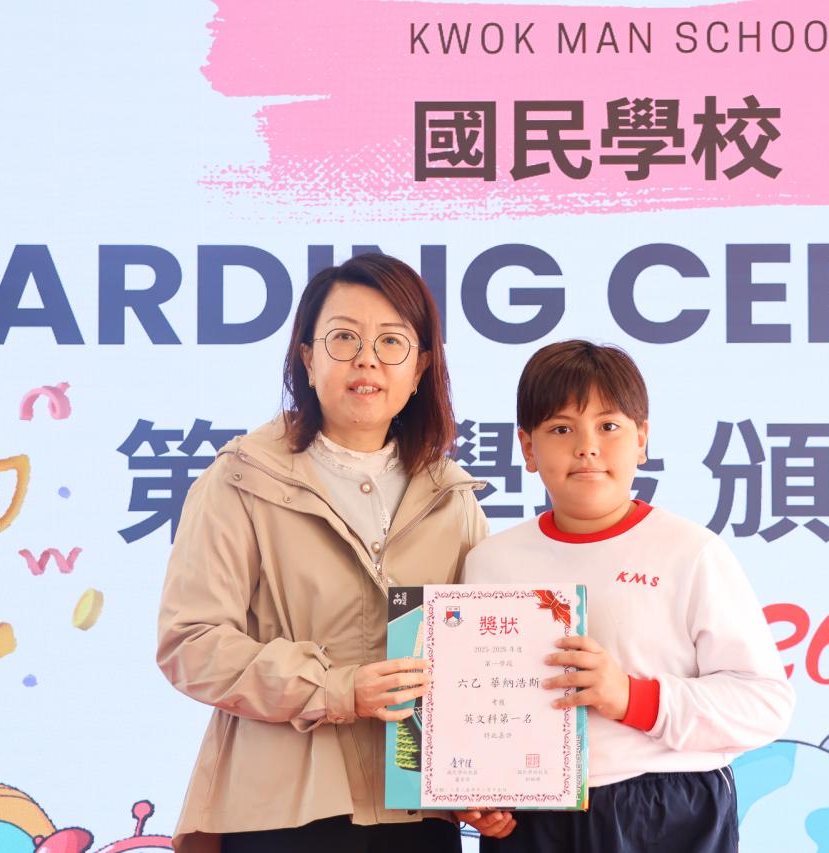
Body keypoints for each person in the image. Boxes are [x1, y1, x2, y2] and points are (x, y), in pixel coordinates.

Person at [157, 253, 506, 853]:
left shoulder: (453, 497)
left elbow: (475, 662)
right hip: (283, 811)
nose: (367, 359)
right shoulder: (241, 480)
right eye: (344, 338)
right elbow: (190, 643)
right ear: (307, 357)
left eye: (391, 341)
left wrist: (483, 780)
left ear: (421, 367)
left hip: (416, 813)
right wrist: (337, 690)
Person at [462, 339, 795, 852]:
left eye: (609, 427)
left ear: (642, 440)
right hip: (534, 819)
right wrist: (478, 791)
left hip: (667, 808)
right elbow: (473, 703)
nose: (587, 447)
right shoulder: (491, 561)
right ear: (527, 448)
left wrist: (631, 697)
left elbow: (764, 702)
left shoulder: (691, 552)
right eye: (561, 429)